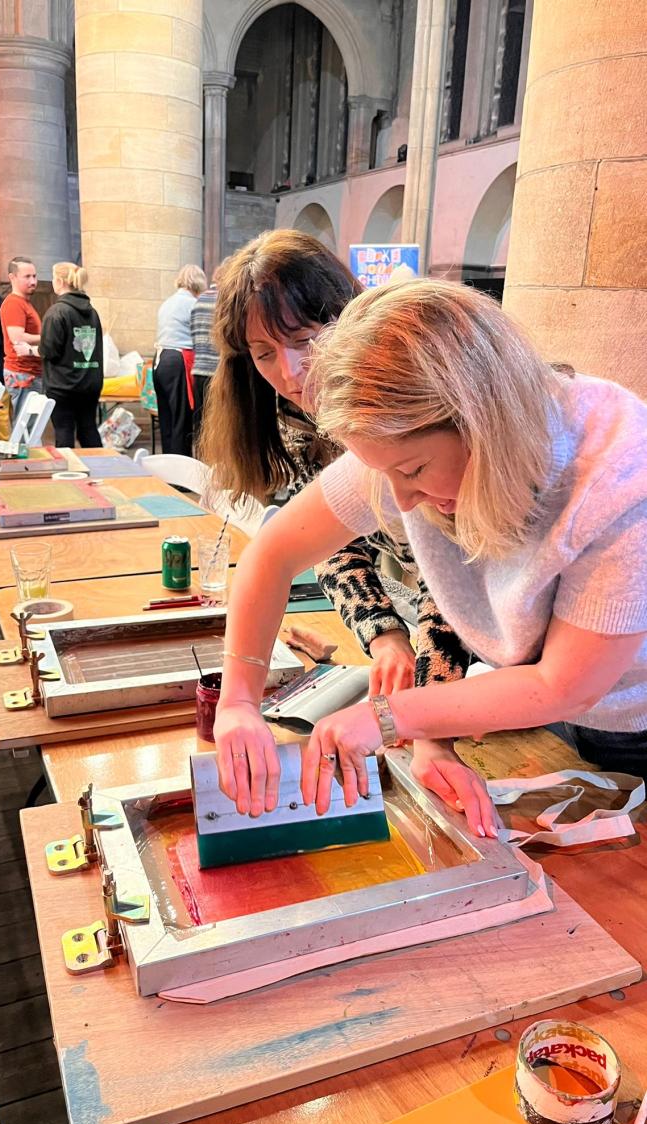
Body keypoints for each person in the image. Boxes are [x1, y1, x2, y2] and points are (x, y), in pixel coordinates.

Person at [213, 278, 647, 838]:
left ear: (483, 423)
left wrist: (392, 717)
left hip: (631, 723)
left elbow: (565, 684)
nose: (400, 500)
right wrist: (238, 702)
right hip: (537, 704)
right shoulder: (403, 443)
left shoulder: (618, 475)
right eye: (384, 473)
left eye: (413, 470)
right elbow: (272, 555)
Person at [199, 229, 472, 796]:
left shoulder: (410, 386)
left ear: (344, 315)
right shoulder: (292, 418)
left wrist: (426, 720)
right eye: (264, 354)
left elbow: (461, 561)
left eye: (303, 338)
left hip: (481, 636)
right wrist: (383, 635)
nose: (291, 372)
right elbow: (314, 547)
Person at [37, 262, 103, 447]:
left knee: (64, 430)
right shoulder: (92, 312)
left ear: (59, 281)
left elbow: (50, 351)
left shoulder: (57, 312)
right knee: (88, 429)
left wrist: (31, 350)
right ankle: (101, 469)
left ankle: (67, 473)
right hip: (90, 382)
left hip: (63, 385)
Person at [153, 264, 207, 456]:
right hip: (179, 360)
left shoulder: (167, 303)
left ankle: (168, 465)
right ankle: (180, 475)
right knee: (181, 420)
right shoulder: (193, 304)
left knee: (167, 417)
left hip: (160, 360)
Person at [0, 256, 42, 437]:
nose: (32, 281)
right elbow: (17, 337)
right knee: (23, 431)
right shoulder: (14, 303)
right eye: (27, 277)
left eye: (34, 276)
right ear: (12, 277)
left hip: (28, 373)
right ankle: (21, 464)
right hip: (22, 374)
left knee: (28, 429)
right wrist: (46, 338)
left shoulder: (24, 303)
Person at [190, 278, 219, 444]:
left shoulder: (199, 301)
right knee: (218, 423)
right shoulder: (225, 299)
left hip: (199, 368)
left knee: (200, 424)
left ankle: (201, 462)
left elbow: (193, 335)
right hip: (217, 370)